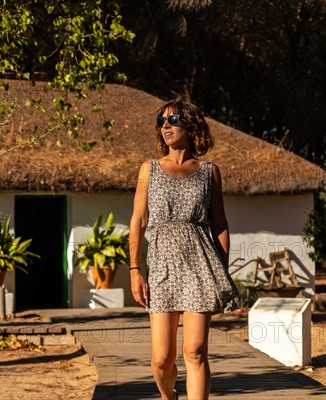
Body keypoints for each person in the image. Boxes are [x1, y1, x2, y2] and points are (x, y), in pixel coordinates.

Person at [129, 97, 239, 400]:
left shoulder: (209, 171)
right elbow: (138, 220)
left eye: (173, 120)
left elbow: (220, 225)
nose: (166, 125)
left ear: (190, 126)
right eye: (161, 121)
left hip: (202, 267)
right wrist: (135, 270)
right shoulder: (148, 169)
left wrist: (222, 272)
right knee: (162, 358)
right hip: (162, 268)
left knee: (195, 351)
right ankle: (169, 397)